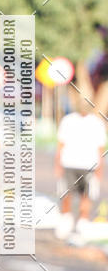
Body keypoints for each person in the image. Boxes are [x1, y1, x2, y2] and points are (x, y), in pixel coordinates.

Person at [54, 98, 106, 241]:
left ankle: (83, 224)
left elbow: (100, 148)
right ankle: (66, 221)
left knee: (87, 196)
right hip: (69, 163)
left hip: (89, 165)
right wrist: (57, 164)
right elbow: (61, 144)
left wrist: (100, 169)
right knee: (66, 194)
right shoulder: (68, 120)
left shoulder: (97, 123)